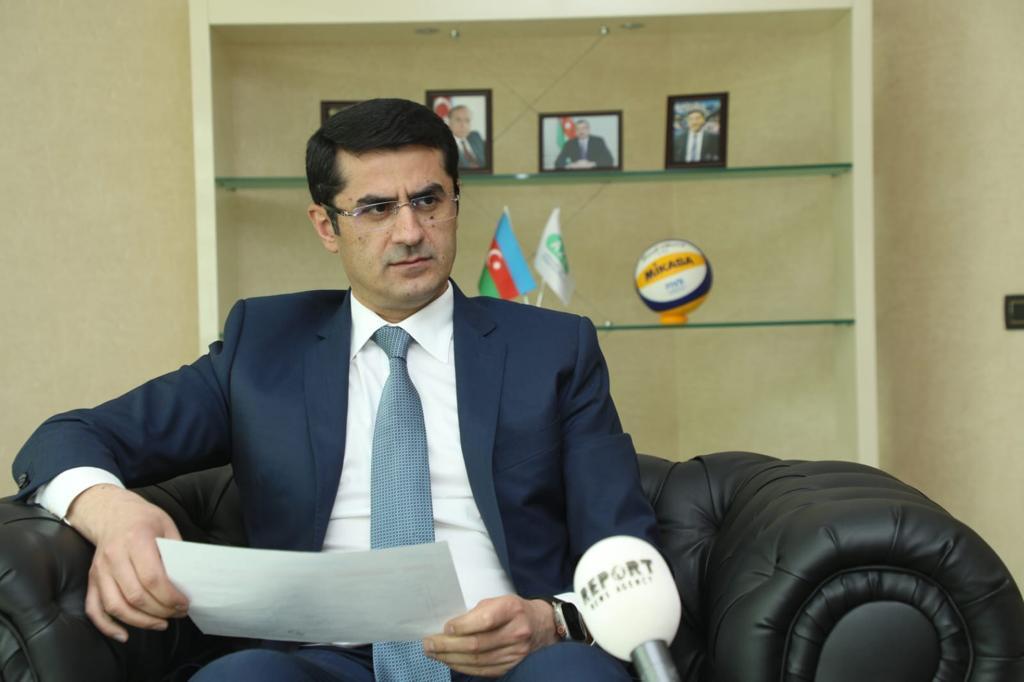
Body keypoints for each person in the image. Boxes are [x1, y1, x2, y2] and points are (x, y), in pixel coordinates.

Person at [12, 98, 658, 681]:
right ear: (326, 226)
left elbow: (623, 541)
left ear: (455, 204)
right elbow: (66, 437)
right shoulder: (263, 346)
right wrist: (113, 513)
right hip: (321, 662)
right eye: (376, 209)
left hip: (514, 658)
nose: (410, 231)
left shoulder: (553, 350)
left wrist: (550, 620)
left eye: (428, 201)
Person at [447, 104, 487, 170]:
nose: (463, 125)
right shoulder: (443, 143)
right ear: (449, 122)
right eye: (458, 120)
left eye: (467, 121)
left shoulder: (476, 136)